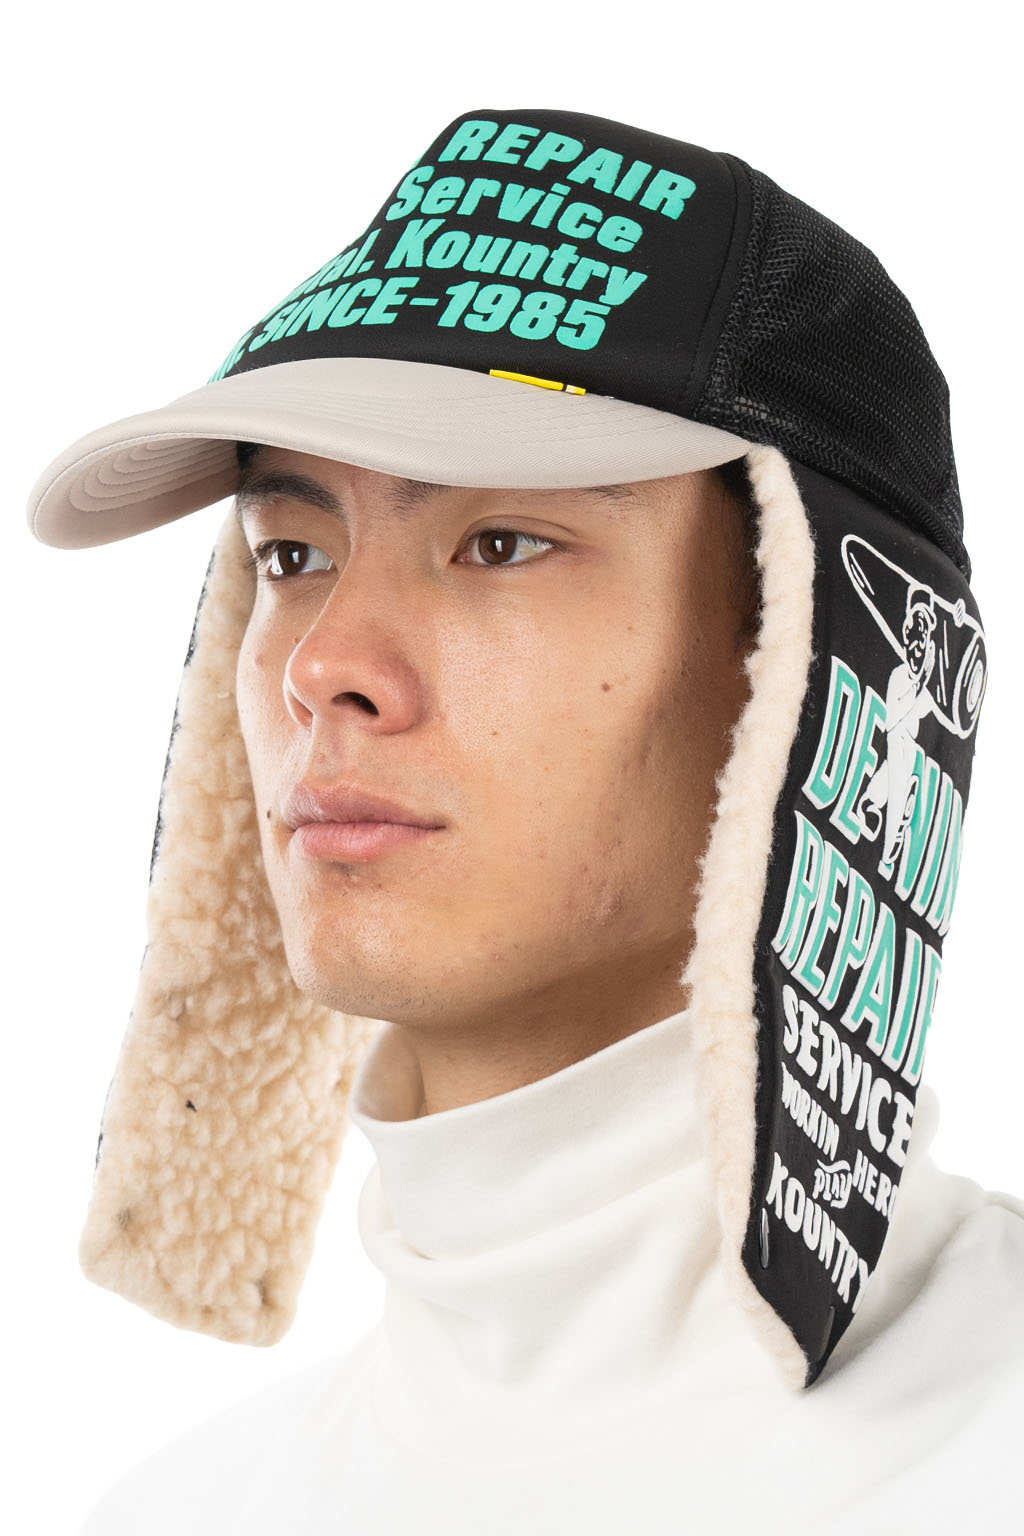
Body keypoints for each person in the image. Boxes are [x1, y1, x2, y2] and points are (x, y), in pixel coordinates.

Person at [28, 107, 1024, 1532]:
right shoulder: (174, 1513)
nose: (324, 665)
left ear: (811, 662)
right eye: (293, 553)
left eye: (499, 542)